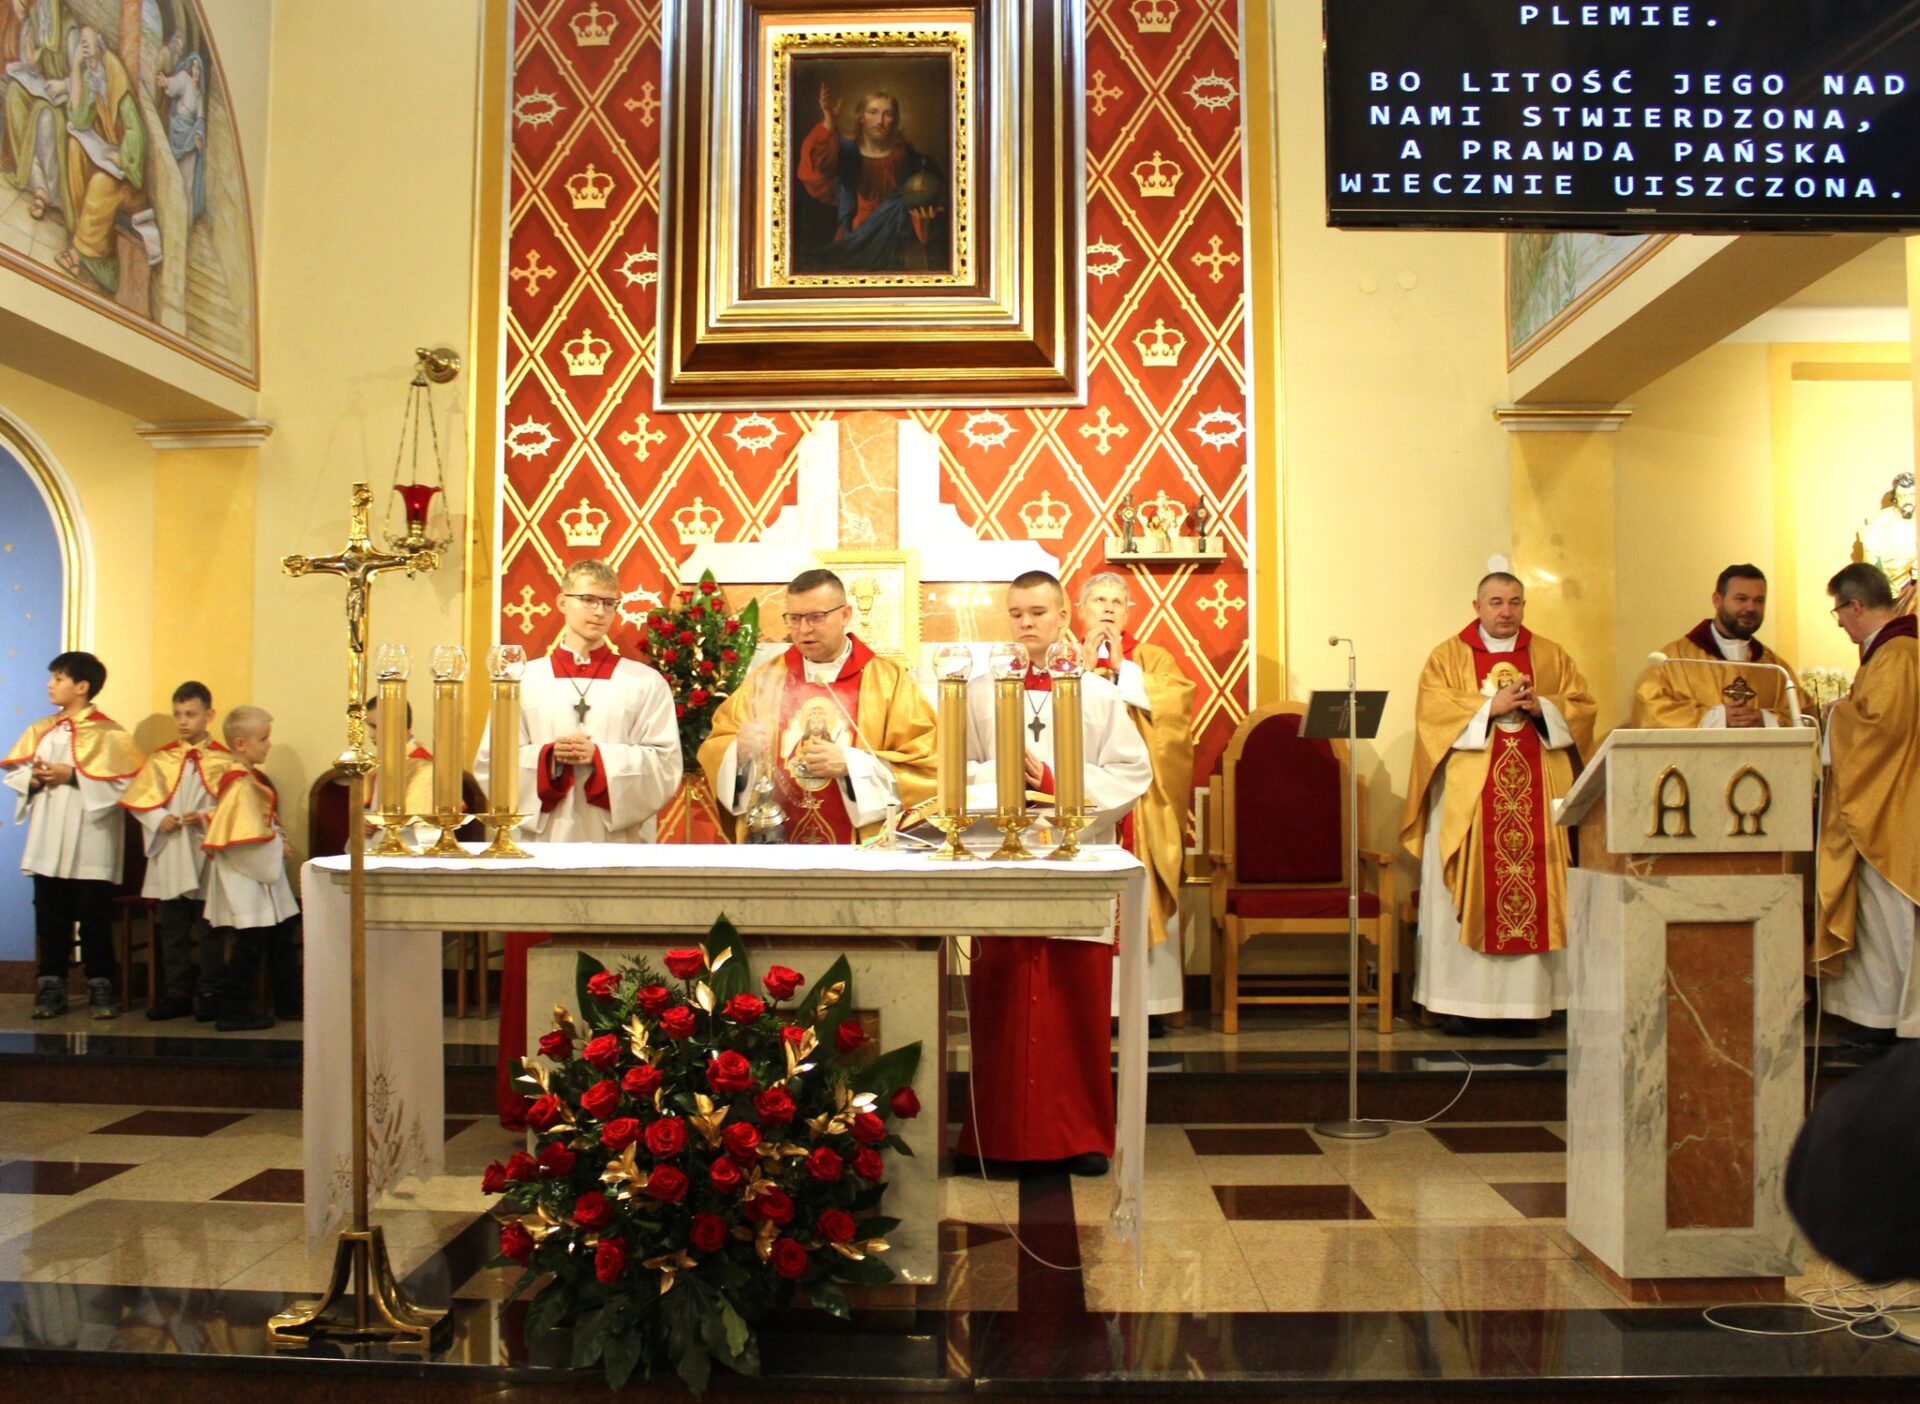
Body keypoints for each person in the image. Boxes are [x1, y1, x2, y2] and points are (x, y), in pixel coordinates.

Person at [956, 571, 1151, 1176]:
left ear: (1065, 616)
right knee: (1003, 1001)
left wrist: (1050, 780)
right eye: (1016, 613)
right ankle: (995, 1139)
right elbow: (955, 769)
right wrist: (1000, 780)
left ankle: (1081, 1136)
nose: (1026, 623)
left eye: (1038, 612)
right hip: (1004, 860)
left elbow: (1131, 773)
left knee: (1076, 1002)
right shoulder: (980, 692)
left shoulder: (1097, 694)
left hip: (1075, 861)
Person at [474, 558, 681, 1123]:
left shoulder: (645, 682)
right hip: (542, 848)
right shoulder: (522, 680)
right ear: (561, 602)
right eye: (588, 599)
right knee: (539, 964)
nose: (599, 611)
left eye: (609, 602)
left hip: (617, 847)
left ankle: (623, 1102)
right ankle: (533, 1101)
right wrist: (546, 757)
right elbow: (491, 765)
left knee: (619, 970)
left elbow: (666, 766)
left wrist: (602, 758)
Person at [1400, 572, 1596, 1038]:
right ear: (1477, 606)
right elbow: (1431, 715)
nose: (1506, 611)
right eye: (1496, 602)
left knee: (1537, 886)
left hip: (1537, 796)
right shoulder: (1448, 656)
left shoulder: (1550, 655)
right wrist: (1490, 707)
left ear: (1524, 605)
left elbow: (1582, 707)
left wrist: (1543, 709)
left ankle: (1529, 1005)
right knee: (1465, 892)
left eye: (1515, 602)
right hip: (1469, 797)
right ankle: (1461, 1004)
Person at [699, 567, 936, 844]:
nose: (804, 630)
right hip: (777, 844)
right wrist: (737, 751)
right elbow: (717, 745)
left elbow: (927, 767)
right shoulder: (766, 679)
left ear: (845, 614)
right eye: (795, 618)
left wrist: (851, 765)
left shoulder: (887, 681)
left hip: (861, 849)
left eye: (816, 617)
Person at [1077, 571, 1195, 1031]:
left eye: (1117, 602)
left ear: (1128, 614)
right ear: (1081, 610)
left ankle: (1150, 1006)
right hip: (1084, 801)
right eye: (1099, 600)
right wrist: (1083, 673)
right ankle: (1091, 1006)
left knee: (1141, 890)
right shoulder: (1064, 658)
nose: (1108, 608)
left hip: (1141, 806)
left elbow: (1176, 715)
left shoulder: (1152, 660)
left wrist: (1123, 670)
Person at [2, 650, 141, 1020]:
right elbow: (17, 771)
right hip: (49, 837)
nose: (50, 684)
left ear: (82, 686)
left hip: (91, 838)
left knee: (94, 919)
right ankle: (51, 985)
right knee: (50, 918)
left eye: (59, 678)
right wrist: (33, 778)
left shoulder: (111, 733)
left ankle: (100, 984)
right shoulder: (42, 729)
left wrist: (74, 776)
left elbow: (128, 784)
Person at [1814, 562, 1919, 1046]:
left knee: (1892, 921)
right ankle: (1880, 1020)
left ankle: (1896, 1029)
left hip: (1891, 809)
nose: (1839, 622)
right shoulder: (1888, 652)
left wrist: (1837, 716)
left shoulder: (1898, 654)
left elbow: (1884, 729)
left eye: (1838, 611)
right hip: (1885, 800)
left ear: (1856, 605)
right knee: (1879, 922)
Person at [120, 681, 233, 1020]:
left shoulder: (225, 760)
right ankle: (177, 993)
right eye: (178, 714)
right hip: (171, 849)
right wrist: (159, 818)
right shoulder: (161, 758)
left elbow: (235, 805)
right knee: (172, 927)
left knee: (210, 927)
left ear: (209, 715)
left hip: (206, 849)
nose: (183, 721)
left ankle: (210, 992)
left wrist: (205, 816)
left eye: (191, 714)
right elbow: (140, 800)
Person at [199, 705, 300, 1033]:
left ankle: (289, 1002)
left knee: (280, 934)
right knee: (250, 943)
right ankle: (233, 1009)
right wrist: (277, 846)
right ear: (241, 744)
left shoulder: (247, 779)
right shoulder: (240, 784)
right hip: (245, 877)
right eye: (263, 738)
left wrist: (275, 840)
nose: (269, 744)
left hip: (256, 874)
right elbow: (242, 840)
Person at [794, 83, 947, 273]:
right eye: (873, 112)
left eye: (888, 114)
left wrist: (924, 219)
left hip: (897, 245)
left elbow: (929, 204)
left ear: (895, 120)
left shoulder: (912, 159)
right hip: (853, 240)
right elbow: (813, 172)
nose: (880, 121)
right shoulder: (844, 154)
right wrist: (828, 122)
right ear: (861, 117)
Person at [1629, 564, 1802, 728]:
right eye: (1741, 599)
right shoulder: (1674, 660)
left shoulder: (1776, 669)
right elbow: (1648, 709)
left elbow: (1805, 717)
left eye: (1759, 601)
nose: (1751, 608)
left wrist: (1766, 719)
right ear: (1717, 600)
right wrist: (1715, 718)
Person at [54, 25, 148, 294]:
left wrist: (123, 157)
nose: (83, 44)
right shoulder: (93, 73)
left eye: (88, 40)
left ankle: (83, 255)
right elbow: (79, 119)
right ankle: (78, 229)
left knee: (100, 183)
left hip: (128, 178)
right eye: (81, 42)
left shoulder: (114, 74)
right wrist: (76, 68)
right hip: (107, 157)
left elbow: (135, 130)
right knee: (74, 147)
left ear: (100, 44)